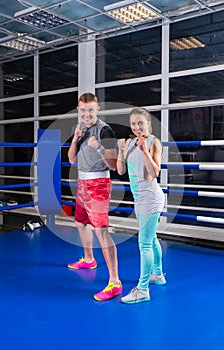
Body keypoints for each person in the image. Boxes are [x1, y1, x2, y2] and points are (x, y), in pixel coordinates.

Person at [67, 92, 122, 301]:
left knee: (101, 232)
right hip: (82, 182)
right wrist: (75, 140)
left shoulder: (105, 129)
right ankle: (89, 258)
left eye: (90, 109)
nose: (87, 113)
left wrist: (98, 146)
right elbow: (71, 159)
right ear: (79, 110)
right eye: (83, 110)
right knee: (80, 222)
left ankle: (115, 282)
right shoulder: (79, 129)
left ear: (97, 109)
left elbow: (113, 165)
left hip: (98, 184)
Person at [116, 107, 166, 304]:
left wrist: (144, 150)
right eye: (133, 124)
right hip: (139, 198)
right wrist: (121, 149)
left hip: (151, 198)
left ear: (148, 124)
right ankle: (158, 275)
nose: (137, 127)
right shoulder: (129, 143)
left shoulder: (154, 142)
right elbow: (120, 170)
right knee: (151, 239)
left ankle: (143, 289)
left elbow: (153, 173)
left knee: (144, 243)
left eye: (140, 123)